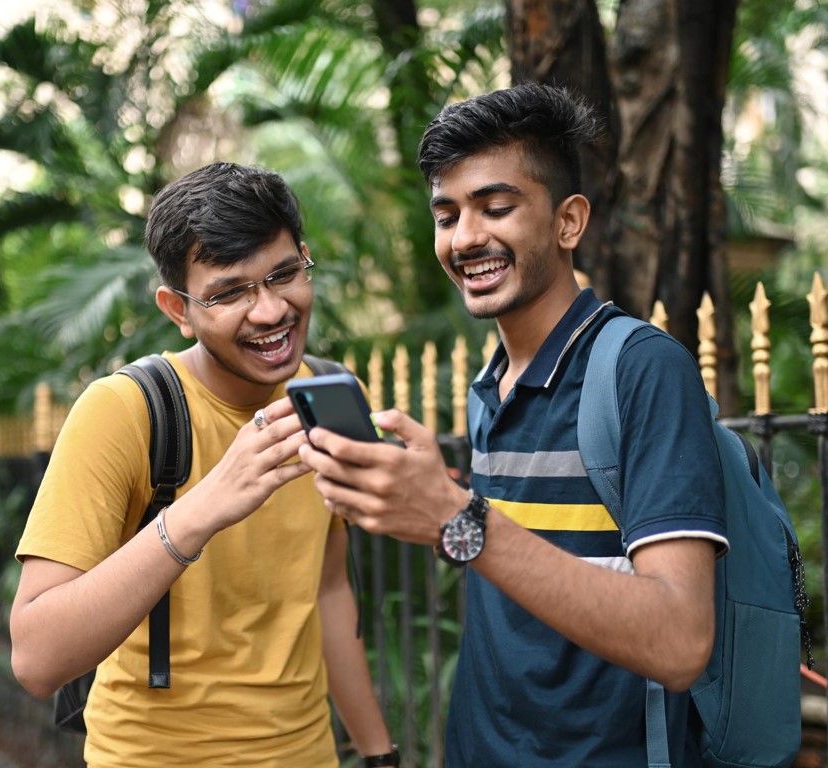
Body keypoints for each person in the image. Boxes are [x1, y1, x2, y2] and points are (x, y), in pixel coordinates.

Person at [297, 84, 729, 766]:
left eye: (496, 208)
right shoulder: (489, 384)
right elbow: (518, 572)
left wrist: (455, 519)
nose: (467, 238)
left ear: (568, 222)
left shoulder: (644, 370)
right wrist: (431, 508)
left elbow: (679, 644)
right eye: (447, 216)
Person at [10, 162, 397, 768]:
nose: (270, 311)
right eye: (228, 293)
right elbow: (36, 660)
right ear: (179, 309)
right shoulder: (124, 411)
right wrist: (202, 509)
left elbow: (326, 590)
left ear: (304, 257)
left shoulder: (326, 391)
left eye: (283, 275)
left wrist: (379, 754)